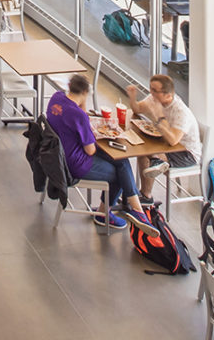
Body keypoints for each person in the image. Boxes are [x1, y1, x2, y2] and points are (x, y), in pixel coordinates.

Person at [47, 74, 150, 229]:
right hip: (75, 164)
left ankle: (133, 208)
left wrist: (81, 105)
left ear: (69, 86)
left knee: (122, 161)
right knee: (121, 174)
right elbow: (90, 150)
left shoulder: (57, 97)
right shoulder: (78, 115)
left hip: (58, 156)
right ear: (85, 92)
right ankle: (118, 212)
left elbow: (80, 120)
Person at [124, 73, 201, 168]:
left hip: (186, 153)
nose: (151, 93)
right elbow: (138, 109)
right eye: (151, 88)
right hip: (166, 142)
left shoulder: (181, 112)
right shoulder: (154, 98)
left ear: (168, 96)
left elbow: (173, 141)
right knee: (143, 150)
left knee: (146, 153)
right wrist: (132, 97)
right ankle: (151, 168)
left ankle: (155, 162)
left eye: (155, 91)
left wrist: (159, 116)